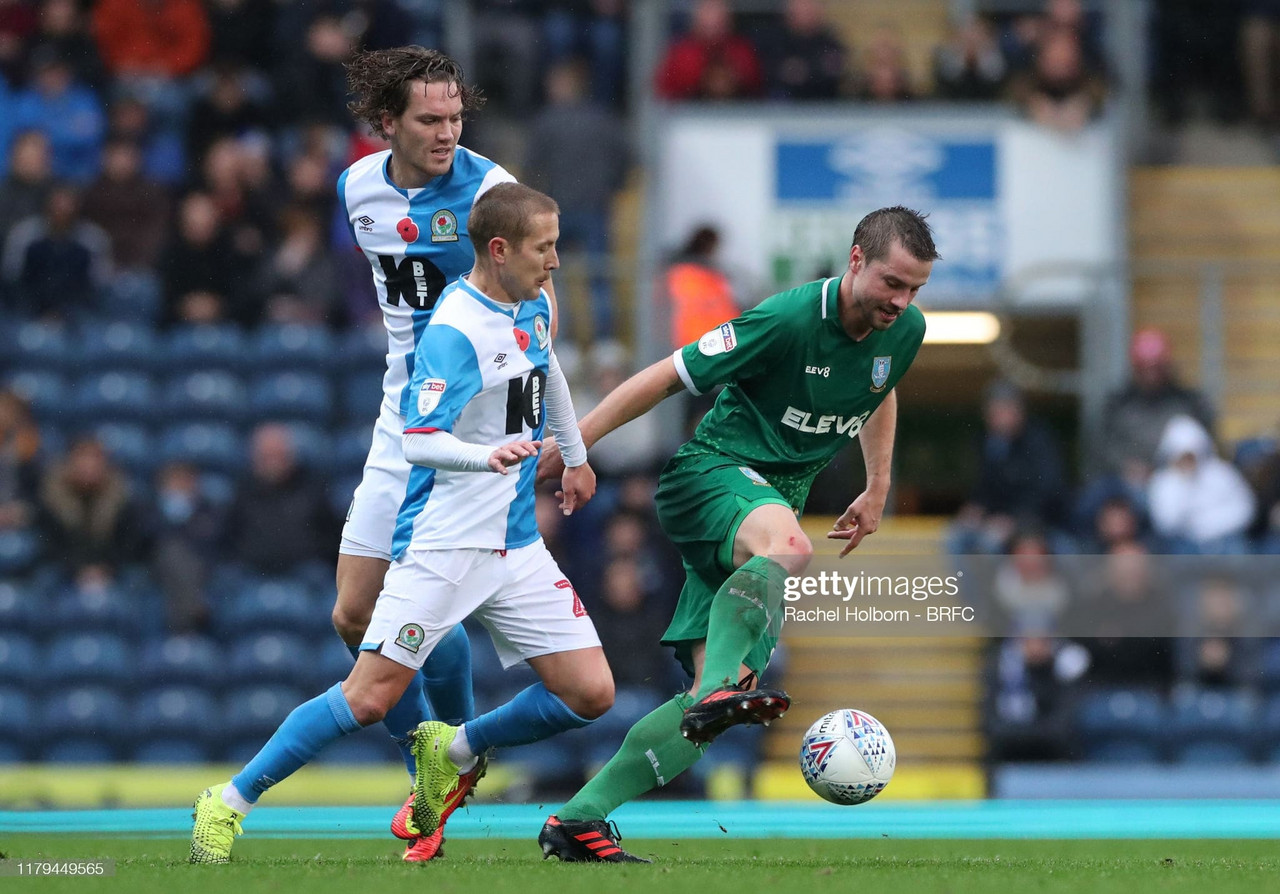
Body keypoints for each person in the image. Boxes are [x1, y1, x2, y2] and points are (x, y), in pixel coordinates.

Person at [190, 184, 613, 865]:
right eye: (544, 248)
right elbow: (418, 439)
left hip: (516, 543)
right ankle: (228, 801)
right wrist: (487, 454)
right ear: (499, 250)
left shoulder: (529, 301)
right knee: (367, 697)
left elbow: (549, 370)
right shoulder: (453, 331)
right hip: (443, 543)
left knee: (591, 692)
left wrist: (577, 456)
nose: (556, 262)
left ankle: (454, 749)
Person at [536, 206, 938, 862]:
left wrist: (878, 485)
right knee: (791, 548)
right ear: (856, 259)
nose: (903, 300)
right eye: (893, 283)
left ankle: (578, 821)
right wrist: (578, 444)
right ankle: (720, 685)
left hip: (762, 506)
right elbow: (667, 375)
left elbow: (880, 386)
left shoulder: (906, 329)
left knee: (710, 710)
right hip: (710, 478)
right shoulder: (784, 320)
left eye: (915, 289)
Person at [323, 46, 559, 861]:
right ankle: (435, 755)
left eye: (457, 117)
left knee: (426, 602)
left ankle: (443, 772)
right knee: (353, 614)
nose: (448, 133)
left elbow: (538, 306)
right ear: (386, 122)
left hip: (477, 428)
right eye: (430, 119)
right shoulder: (357, 188)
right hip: (402, 421)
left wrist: (549, 428)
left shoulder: (492, 190)